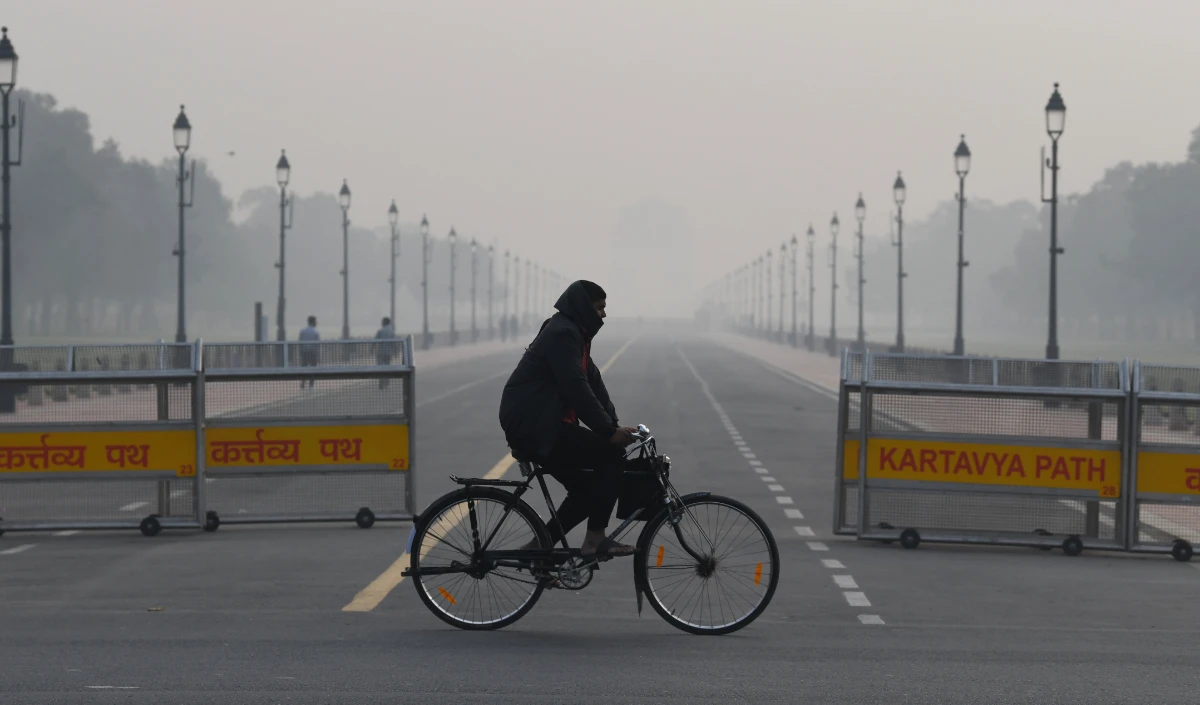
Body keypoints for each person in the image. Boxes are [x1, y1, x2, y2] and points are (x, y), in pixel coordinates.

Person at [499, 280, 638, 558]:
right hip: (535, 426)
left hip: (540, 424)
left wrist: (614, 424)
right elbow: (576, 386)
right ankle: (595, 538)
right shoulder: (563, 334)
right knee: (612, 457)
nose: (604, 315)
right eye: (600, 308)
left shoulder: (575, 334)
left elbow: (593, 383)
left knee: (587, 490)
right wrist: (608, 433)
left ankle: (540, 546)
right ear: (584, 307)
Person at [299, 315, 320, 388]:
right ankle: (311, 384)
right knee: (313, 368)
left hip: (304, 352)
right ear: (313, 322)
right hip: (312, 352)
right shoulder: (315, 332)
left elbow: (300, 342)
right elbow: (317, 344)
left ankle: (303, 382)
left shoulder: (302, 331)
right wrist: (318, 355)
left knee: (304, 368)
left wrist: (301, 351)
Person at [374, 317, 396, 389]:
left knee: (381, 367)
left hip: (380, 352)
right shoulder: (391, 332)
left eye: (382, 322)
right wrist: (395, 353)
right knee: (387, 367)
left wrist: (372, 350)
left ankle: (381, 381)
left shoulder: (380, 331)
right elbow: (394, 344)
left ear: (384, 323)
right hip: (388, 353)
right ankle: (386, 382)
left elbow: (375, 341)